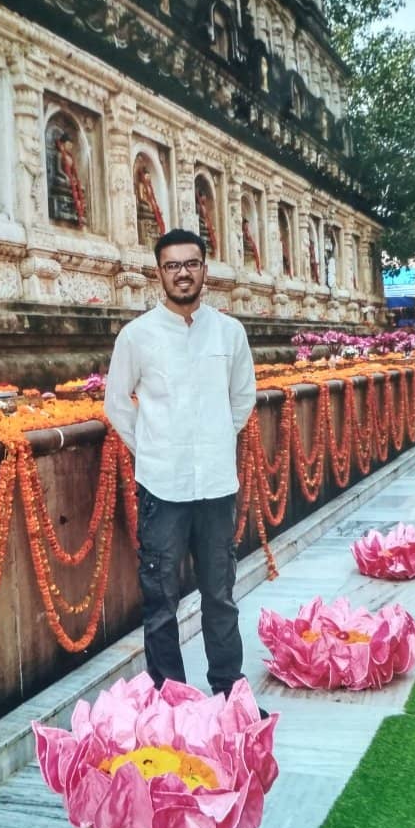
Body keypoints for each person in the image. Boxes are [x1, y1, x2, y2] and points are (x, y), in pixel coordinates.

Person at [104, 228, 257, 698]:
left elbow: (242, 397)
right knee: (160, 600)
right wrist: (153, 448)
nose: (183, 273)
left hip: (216, 485)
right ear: (160, 273)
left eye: (191, 264)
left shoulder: (229, 332)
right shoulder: (137, 336)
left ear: (205, 269)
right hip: (162, 487)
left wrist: (214, 438)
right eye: (173, 266)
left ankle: (229, 694)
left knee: (220, 596)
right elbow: (117, 404)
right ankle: (171, 702)